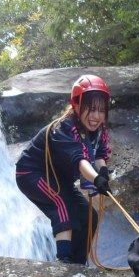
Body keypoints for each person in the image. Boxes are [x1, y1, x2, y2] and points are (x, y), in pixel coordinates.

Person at [15, 74, 113, 264]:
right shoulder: (65, 128)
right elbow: (80, 160)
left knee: (89, 216)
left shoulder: (98, 131)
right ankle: (64, 262)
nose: (96, 116)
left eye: (101, 111)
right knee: (62, 204)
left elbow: (99, 155)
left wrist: (103, 173)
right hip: (31, 173)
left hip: (59, 178)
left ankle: (78, 264)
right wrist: (96, 179)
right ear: (76, 105)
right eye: (91, 109)